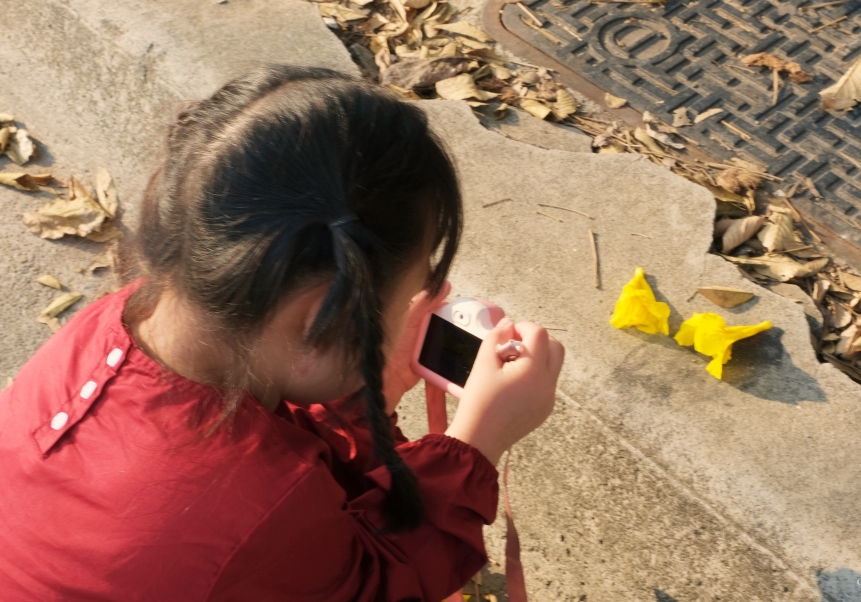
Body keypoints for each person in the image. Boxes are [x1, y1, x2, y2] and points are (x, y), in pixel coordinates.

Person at [0, 65, 564, 601]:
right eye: (395, 305)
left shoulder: (120, 321)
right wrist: (474, 445)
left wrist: (366, 391)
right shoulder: (264, 504)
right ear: (323, 317)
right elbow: (382, 584)